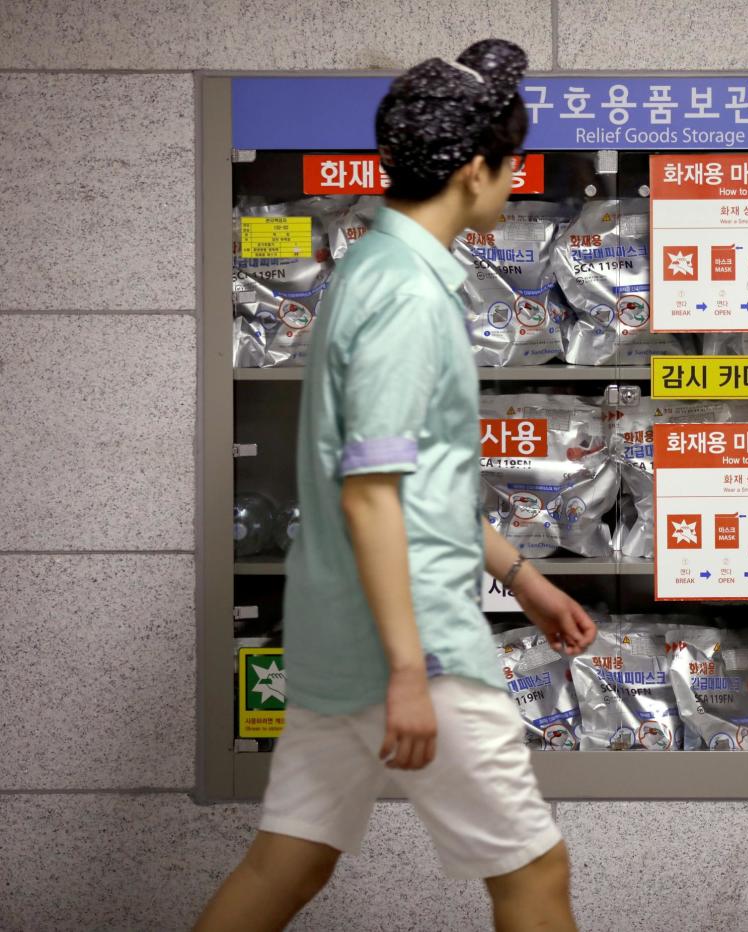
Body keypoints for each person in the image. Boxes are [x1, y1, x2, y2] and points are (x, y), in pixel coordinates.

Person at [195, 40, 593, 932]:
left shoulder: (371, 270)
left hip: (340, 644)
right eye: (511, 162)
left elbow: (414, 481)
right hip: (416, 654)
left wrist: (523, 578)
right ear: (471, 170)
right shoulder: (409, 299)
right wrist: (411, 672)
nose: (517, 180)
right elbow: (372, 492)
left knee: (283, 866)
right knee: (536, 873)